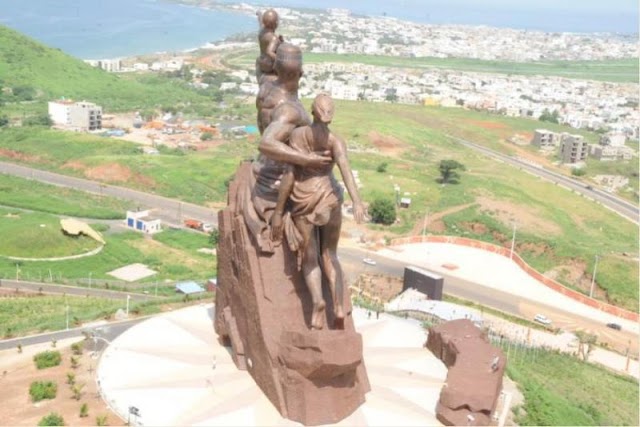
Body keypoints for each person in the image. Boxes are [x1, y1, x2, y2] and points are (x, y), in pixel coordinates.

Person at [270, 94, 365, 330]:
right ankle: (339, 306)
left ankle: (318, 303)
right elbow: (346, 171)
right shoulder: (335, 141)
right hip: (329, 199)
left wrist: (279, 211)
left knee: (310, 258)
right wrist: (357, 201)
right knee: (330, 254)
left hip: (304, 201)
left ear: (312, 112)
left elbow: (289, 176)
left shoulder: (297, 137)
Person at [245, 43, 332, 252]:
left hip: (265, 165)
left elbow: (260, 66)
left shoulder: (266, 86)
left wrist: (269, 40)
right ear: (301, 73)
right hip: (277, 175)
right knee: (326, 196)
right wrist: (306, 160)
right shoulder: (290, 110)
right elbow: (266, 143)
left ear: (276, 68)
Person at [255, 9, 283, 81]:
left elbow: (260, 21)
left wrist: (259, 13)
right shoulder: (273, 38)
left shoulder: (262, 30)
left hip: (261, 62)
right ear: (276, 23)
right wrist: (282, 60)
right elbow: (269, 52)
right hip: (269, 66)